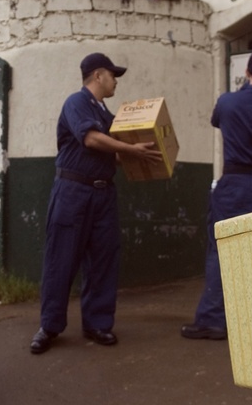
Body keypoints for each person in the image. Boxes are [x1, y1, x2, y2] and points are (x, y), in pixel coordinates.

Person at [30, 53, 163, 354]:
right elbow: (91, 140)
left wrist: (142, 158)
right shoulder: (76, 103)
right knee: (60, 259)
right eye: (113, 75)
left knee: (103, 259)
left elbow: (113, 154)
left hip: (103, 194)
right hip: (73, 191)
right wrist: (131, 150)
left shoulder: (107, 114)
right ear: (98, 75)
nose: (116, 81)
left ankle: (97, 324)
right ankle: (49, 326)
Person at [181, 48, 252, 340]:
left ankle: (213, 319)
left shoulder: (228, 102)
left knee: (220, 250)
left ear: (247, 73)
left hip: (232, 183)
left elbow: (216, 121)